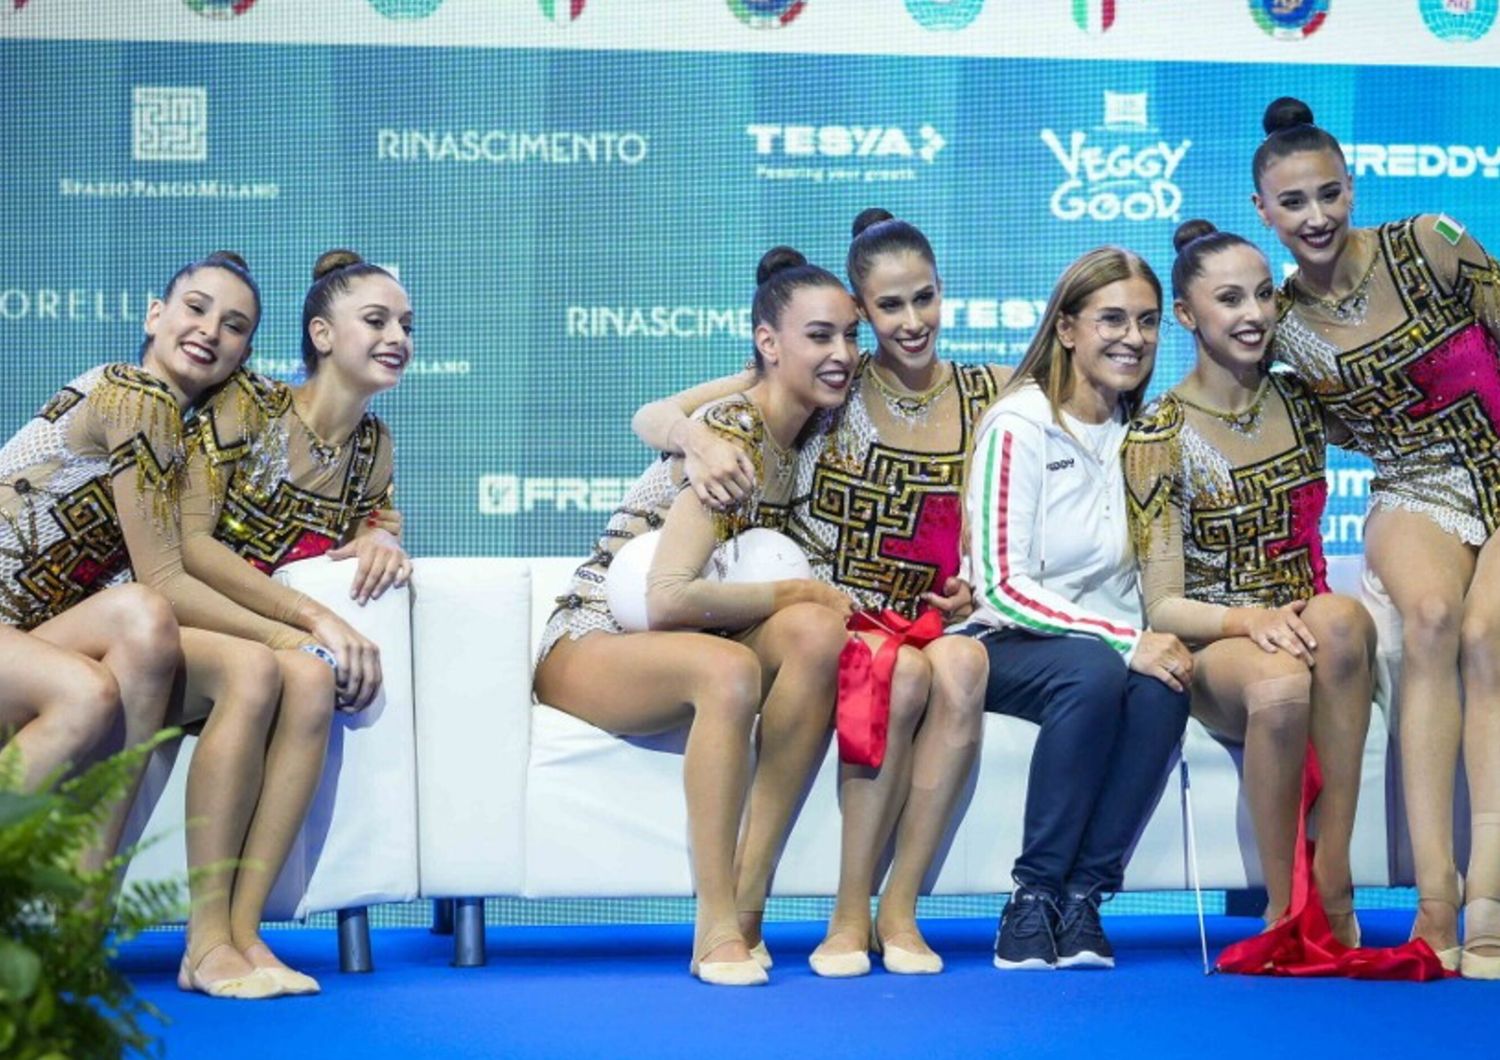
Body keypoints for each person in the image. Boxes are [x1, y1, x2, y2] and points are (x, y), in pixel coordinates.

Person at [632, 211, 999, 976]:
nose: (911, 321)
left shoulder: (984, 387)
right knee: (891, 672)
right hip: (826, 610)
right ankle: (838, 918)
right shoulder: (828, 381)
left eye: (923, 299)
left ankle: (895, 914)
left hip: (925, 614)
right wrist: (698, 441)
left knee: (956, 669)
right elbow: (654, 415)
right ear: (862, 311)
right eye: (888, 308)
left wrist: (982, 582)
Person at [0, 252, 339, 999]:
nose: (209, 329)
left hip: (33, 637)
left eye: (235, 325)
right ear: (155, 316)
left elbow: (316, 469)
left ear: (246, 353)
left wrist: (380, 527)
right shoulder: (132, 394)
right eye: (194, 307)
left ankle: (191, 938)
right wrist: (298, 629)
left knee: (247, 671)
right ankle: (82, 920)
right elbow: (162, 579)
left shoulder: (193, 433)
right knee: (106, 669)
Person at [534, 247, 857, 986]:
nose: (841, 353)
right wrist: (791, 593)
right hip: (597, 637)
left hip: (698, 634)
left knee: (818, 634)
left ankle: (749, 906)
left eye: (848, 336)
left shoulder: (815, 427)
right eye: (819, 337)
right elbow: (666, 597)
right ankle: (712, 926)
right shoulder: (734, 431)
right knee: (736, 663)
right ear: (769, 344)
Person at [1255, 96, 1500, 978]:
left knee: (1486, 636)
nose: (1314, 217)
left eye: (1327, 194)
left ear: (1351, 187)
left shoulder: (1430, 240)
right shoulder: (1278, 324)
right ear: (1264, 212)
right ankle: (1434, 902)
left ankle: (1490, 902)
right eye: (1293, 203)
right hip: (1414, 488)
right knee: (1432, 618)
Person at [1124, 219, 1374, 947]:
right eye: (1229, 299)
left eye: (1265, 295)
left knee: (1345, 622)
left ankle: (1334, 874)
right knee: (1279, 685)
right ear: (1185, 315)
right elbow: (1162, 603)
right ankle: (1285, 903)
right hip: (1218, 642)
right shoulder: (1158, 434)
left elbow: (1397, 423)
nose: (1254, 314)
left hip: (1305, 620)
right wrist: (1246, 620)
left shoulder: (1302, 401)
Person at [176, 250, 414, 996]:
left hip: (266, 642)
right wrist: (310, 616)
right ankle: (203, 939)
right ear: (320, 333)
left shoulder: (373, 449)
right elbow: (188, 547)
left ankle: (245, 936)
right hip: (176, 616)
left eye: (406, 325)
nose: (398, 336)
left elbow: (379, 517)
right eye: (375, 321)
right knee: (281, 667)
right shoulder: (247, 403)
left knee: (312, 681)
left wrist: (384, 533)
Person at [963, 247, 1191, 971]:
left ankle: (1084, 899)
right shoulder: (1019, 424)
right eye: (1113, 319)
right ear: (1066, 328)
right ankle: (1030, 899)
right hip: (1007, 642)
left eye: (1149, 322)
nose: (1134, 337)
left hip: (1105, 645)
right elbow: (999, 586)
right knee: (1096, 670)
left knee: (1163, 687)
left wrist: (1147, 643)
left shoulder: (1147, 432)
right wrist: (1125, 641)